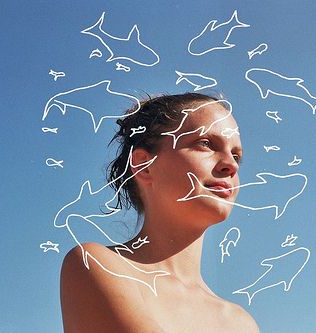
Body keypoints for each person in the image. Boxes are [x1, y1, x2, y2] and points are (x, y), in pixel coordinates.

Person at [60, 93, 260, 332]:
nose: (231, 164)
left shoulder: (240, 322)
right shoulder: (99, 265)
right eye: (205, 143)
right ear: (144, 166)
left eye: (236, 155)